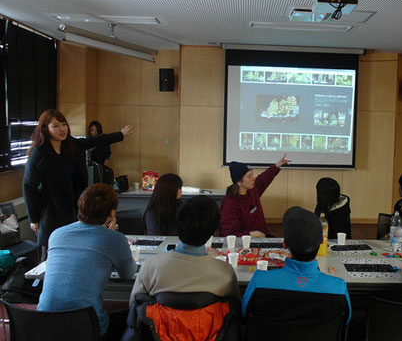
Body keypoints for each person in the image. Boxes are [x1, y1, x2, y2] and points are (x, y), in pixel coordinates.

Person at [23, 109, 133, 251]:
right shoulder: (39, 152)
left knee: (76, 248)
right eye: (56, 126)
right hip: (52, 209)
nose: (62, 129)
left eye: (63, 124)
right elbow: (29, 186)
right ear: (45, 129)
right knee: (53, 251)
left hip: (74, 207)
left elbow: (96, 140)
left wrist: (120, 134)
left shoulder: (71, 145)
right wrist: (33, 218)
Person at [130, 196, 240, 337]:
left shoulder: (151, 265)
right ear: (214, 232)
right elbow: (236, 311)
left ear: (178, 224)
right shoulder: (225, 272)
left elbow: (134, 305)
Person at [38, 184, 137, 340]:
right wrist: (111, 235)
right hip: (86, 328)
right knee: (133, 316)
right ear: (111, 213)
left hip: (44, 324)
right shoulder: (114, 239)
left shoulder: (56, 234)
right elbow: (128, 273)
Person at [242, 206, 351, 322]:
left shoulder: (259, 280)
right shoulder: (338, 287)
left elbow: (245, 314)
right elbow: (346, 320)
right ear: (322, 241)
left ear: (284, 244)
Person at [219, 153, 290, 237]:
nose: (254, 178)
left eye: (252, 174)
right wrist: (252, 234)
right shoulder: (230, 203)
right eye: (249, 176)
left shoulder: (252, 189)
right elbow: (228, 234)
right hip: (246, 240)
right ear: (238, 182)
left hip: (262, 236)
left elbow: (264, 178)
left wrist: (276, 166)